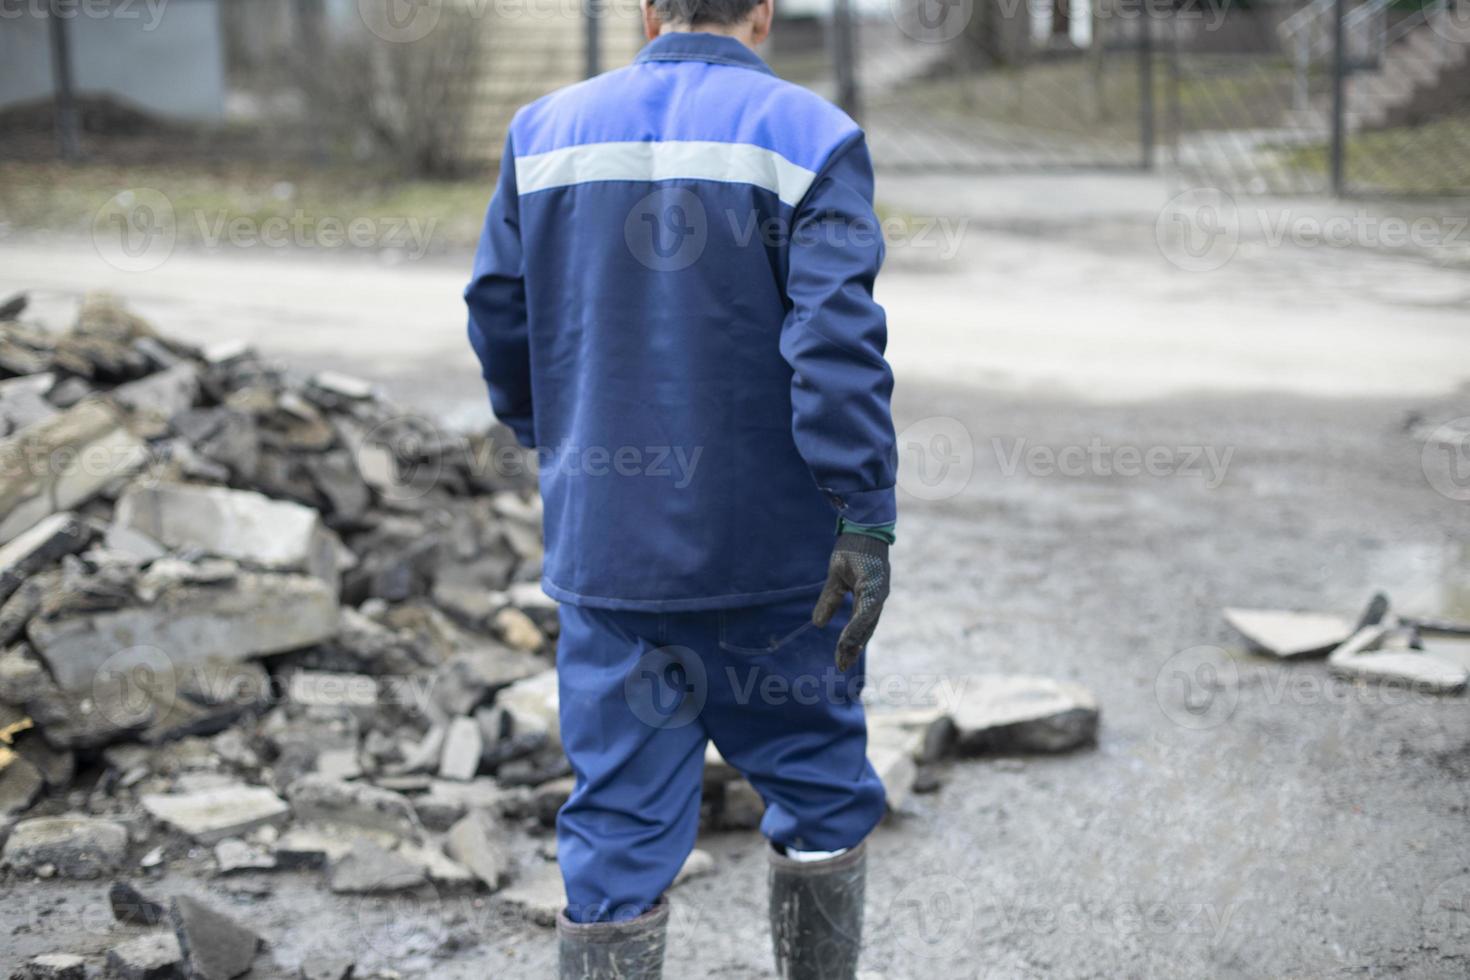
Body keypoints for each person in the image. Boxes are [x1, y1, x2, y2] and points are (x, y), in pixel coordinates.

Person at [465, 0, 897, 974]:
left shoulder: (541, 135)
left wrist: (556, 437)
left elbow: (498, 312)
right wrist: (865, 513)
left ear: (649, 11)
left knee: (615, 827)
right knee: (823, 795)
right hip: (779, 569)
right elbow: (835, 349)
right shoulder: (812, 137)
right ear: (766, 12)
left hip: (608, 559)